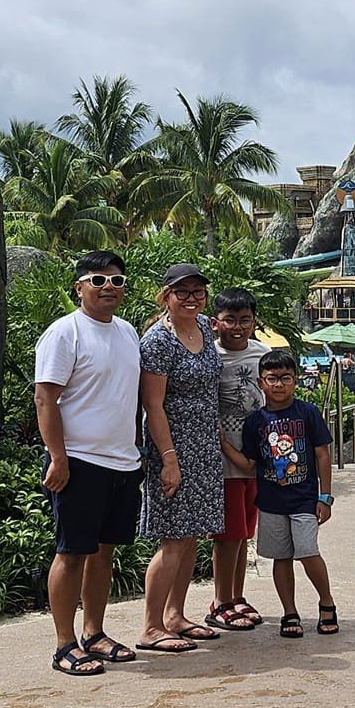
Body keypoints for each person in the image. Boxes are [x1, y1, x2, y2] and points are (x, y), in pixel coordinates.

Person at [34, 251, 144, 676]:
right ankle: (64, 644)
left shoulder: (128, 332)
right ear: (79, 287)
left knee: (104, 553)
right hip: (79, 461)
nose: (108, 288)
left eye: (117, 280)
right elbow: (46, 397)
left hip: (123, 463)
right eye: (98, 280)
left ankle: (94, 633)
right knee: (71, 552)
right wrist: (58, 457)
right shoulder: (66, 333)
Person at [136, 263, 224, 654]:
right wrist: (169, 459)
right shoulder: (157, 340)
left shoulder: (205, 327)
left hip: (204, 443)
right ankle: (151, 626)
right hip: (172, 444)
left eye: (197, 291)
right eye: (182, 292)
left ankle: (176, 615)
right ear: (166, 295)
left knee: (191, 537)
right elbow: (152, 405)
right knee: (172, 538)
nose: (191, 298)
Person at [227, 349, 339, 638]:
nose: (278, 385)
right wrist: (223, 445)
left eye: (285, 378)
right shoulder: (256, 422)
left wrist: (325, 497)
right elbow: (250, 464)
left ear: (296, 380)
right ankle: (290, 611)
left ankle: (326, 602)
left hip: (304, 500)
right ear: (260, 382)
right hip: (271, 503)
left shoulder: (308, 413)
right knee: (281, 557)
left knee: (308, 552)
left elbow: (322, 455)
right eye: (272, 379)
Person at [208, 288, 270, 632]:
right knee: (227, 534)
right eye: (230, 319)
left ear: (253, 321)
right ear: (216, 322)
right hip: (226, 460)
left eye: (245, 319)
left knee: (245, 532)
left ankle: (237, 596)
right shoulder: (209, 357)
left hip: (256, 459)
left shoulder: (263, 354)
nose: (237, 326)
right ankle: (221, 600)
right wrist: (230, 452)